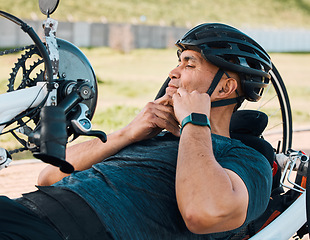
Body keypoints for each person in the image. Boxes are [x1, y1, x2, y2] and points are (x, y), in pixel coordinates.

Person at [0, 23, 272, 240]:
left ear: (225, 88)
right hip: (25, 210)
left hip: (72, 230)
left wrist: (195, 121)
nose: (173, 72)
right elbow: (49, 175)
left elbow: (204, 213)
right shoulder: (151, 136)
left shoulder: (246, 159)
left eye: (189, 64)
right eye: (178, 62)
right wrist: (128, 132)